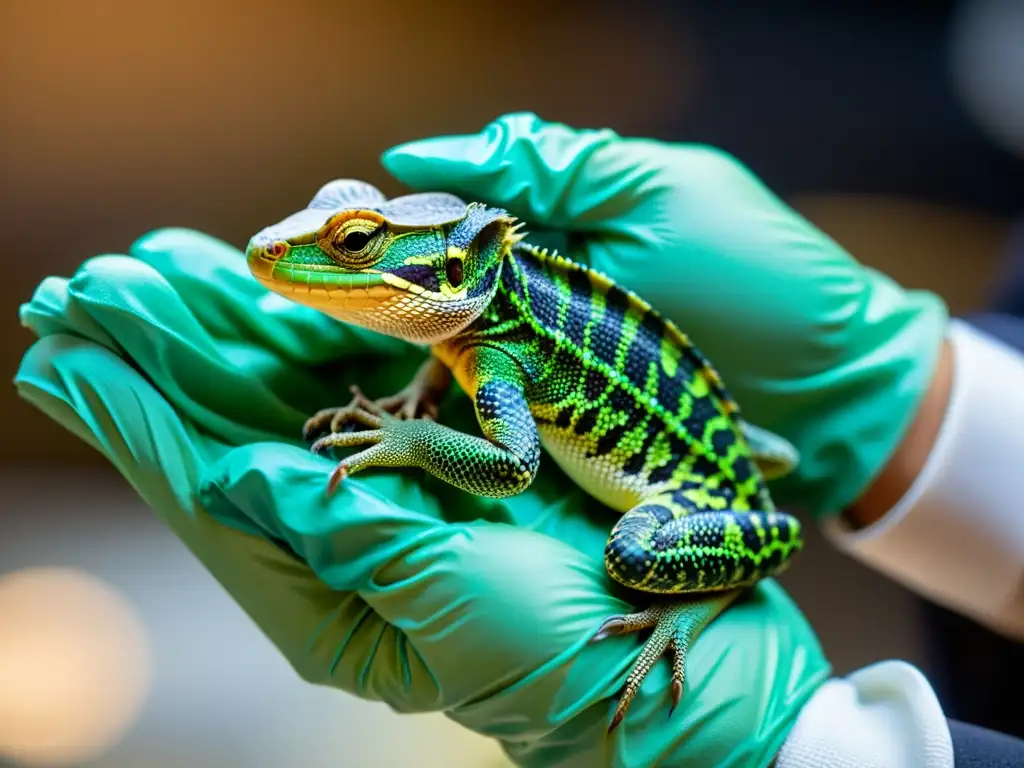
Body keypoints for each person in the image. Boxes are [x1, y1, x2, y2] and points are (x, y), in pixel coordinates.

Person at [15, 113, 1024, 767]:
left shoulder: (494, 352)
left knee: (633, 552)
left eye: (357, 248)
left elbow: (509, 465)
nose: (299, 252)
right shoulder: (467, 333)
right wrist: (921, 405)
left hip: (694, 498)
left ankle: (699, 596)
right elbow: (451, 361)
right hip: (723, 452)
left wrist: (817, 749)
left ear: (443, 271)